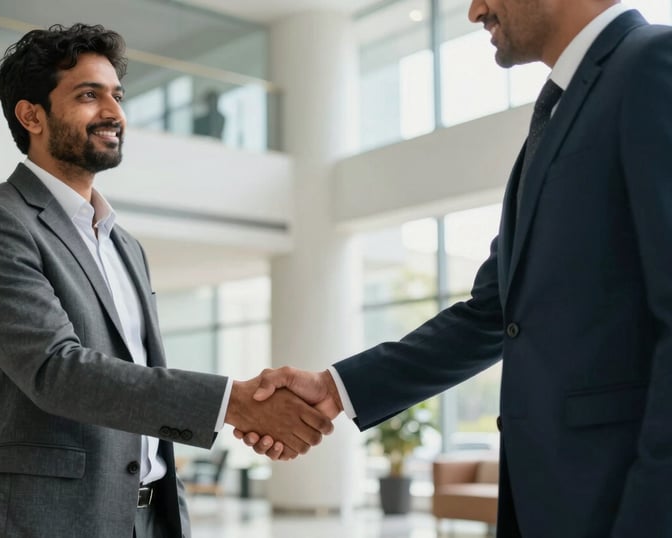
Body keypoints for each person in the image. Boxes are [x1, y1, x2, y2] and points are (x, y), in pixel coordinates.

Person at [238, 1, 672, 536]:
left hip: (621, 504)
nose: (475, 10)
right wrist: (334, 388)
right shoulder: (557, 114)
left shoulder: (654, 64)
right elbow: (492, 313)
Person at [0, 23, 332, 538]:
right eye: (88, 95)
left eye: (117, 96)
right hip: (43, 521)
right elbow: (57, 373)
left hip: (151, 517)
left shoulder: (124, 245)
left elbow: (137, 380)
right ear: (31, 114)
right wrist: (232, 403)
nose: (114, 113)